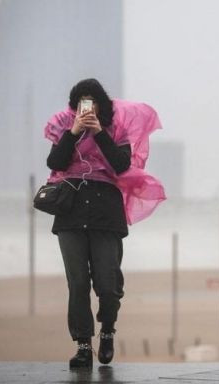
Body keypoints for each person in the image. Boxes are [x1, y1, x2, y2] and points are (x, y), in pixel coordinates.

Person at [44, 78, 165, 369]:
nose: (88, 107)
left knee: (108, 285)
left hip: (105, 212)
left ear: (102, 104)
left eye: (93, 100)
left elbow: (122, 165)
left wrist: (99, 133)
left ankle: (108, 329)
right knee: (78, 283)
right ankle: (84, 346)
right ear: (75, 106)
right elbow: (55, 162)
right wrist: (73, 132)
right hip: (71, 211)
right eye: (82, 101)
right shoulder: (64, 125)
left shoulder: (116, 128)